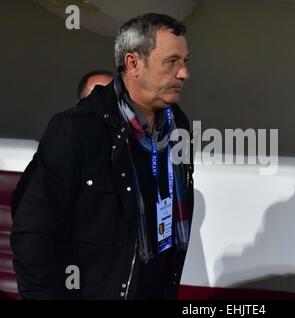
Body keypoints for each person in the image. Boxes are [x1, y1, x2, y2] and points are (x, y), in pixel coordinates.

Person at [10, 13, 194, 300]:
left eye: (184, 62)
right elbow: (33, 232)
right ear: (133, 63)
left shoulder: (178, 126)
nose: (184, 73)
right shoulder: (76, 128)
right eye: (172, 62)